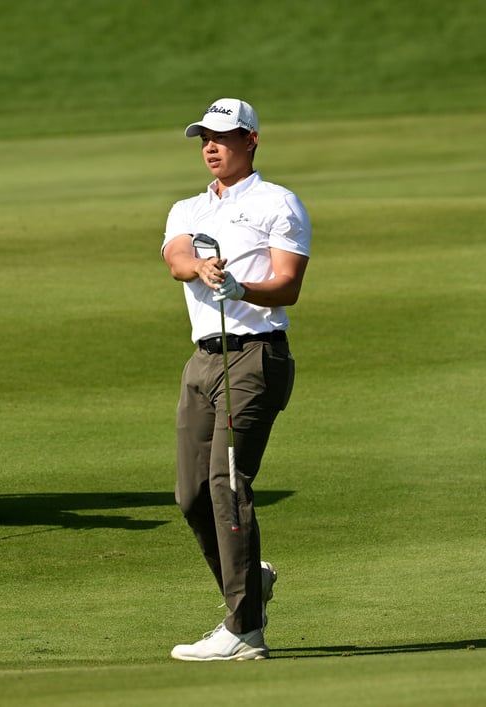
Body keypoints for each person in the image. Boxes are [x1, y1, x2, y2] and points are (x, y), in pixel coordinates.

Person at [161, 98, 311, 660]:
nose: (210, 146)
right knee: (191, 493)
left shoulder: (279, 203)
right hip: (202, 360)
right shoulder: (186, 209)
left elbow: (288, 283)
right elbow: (177, 257)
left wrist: (242, 290)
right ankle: (249, 583)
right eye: (204, 137)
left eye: (222, 136)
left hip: (254, 357)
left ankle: (245, 630)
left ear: (251, 140)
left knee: (228, 483)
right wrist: (200, 268)